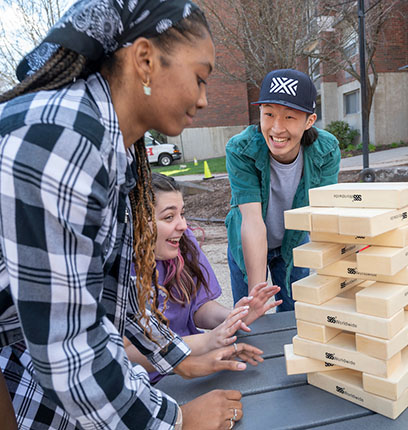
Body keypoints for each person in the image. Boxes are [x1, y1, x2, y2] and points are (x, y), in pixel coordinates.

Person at [0, 1, 261, 429]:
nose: (203, 98)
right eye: (199, 78)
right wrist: (176, 420)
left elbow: (115, 297)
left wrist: (180, 360)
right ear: (144, 60)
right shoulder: (64, 137)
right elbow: (69, 350)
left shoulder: (114, 148)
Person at [125, 173, 281, 383]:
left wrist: (233, 318)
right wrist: (206, 342)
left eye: (182, 214)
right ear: (137, 222)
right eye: (169, 217)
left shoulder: (183, 242)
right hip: (149, 382)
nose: (182, 225)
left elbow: (198, 307)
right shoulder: (117, 271)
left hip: (198, 363)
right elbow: (125, 351)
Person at [226, 69, 341, 312]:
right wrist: (257, 296)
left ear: (309, 121)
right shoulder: (241, 149)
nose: (277, 128)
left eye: (289, 117)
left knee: (296, 314)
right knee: (248, 319)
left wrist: (336, 281)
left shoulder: (327, 150)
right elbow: (252, 221)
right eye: (268, 114)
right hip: (247, 238)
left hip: (293, 241)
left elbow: (324, 215)